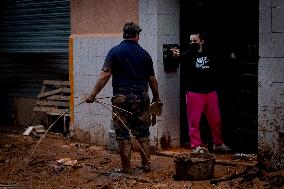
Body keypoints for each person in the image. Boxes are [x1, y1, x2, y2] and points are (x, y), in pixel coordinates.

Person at [85, 22, 161, 173]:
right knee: (143, 133)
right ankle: (146, 165)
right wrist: (156, 98)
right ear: (137, 36)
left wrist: (93, 95)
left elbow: (105, 75)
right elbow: (152, 79)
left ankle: (126, 167)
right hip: (142, 99)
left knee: (123, 134)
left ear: (124, 34)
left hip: (122, 100)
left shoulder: (115, 52)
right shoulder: (145, 54)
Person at [172, 32, 231, 153]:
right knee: (194, 122)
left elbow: (221, 62)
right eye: (191, 41)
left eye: (195, 41)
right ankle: (196, 146)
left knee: (216, 120)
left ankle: (218, 144)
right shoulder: (187, 56)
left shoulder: (210, 54)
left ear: (201, 41)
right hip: (194, 93)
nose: (192, 43)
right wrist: (174, 54)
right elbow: (178, 61)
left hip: (210, 93)